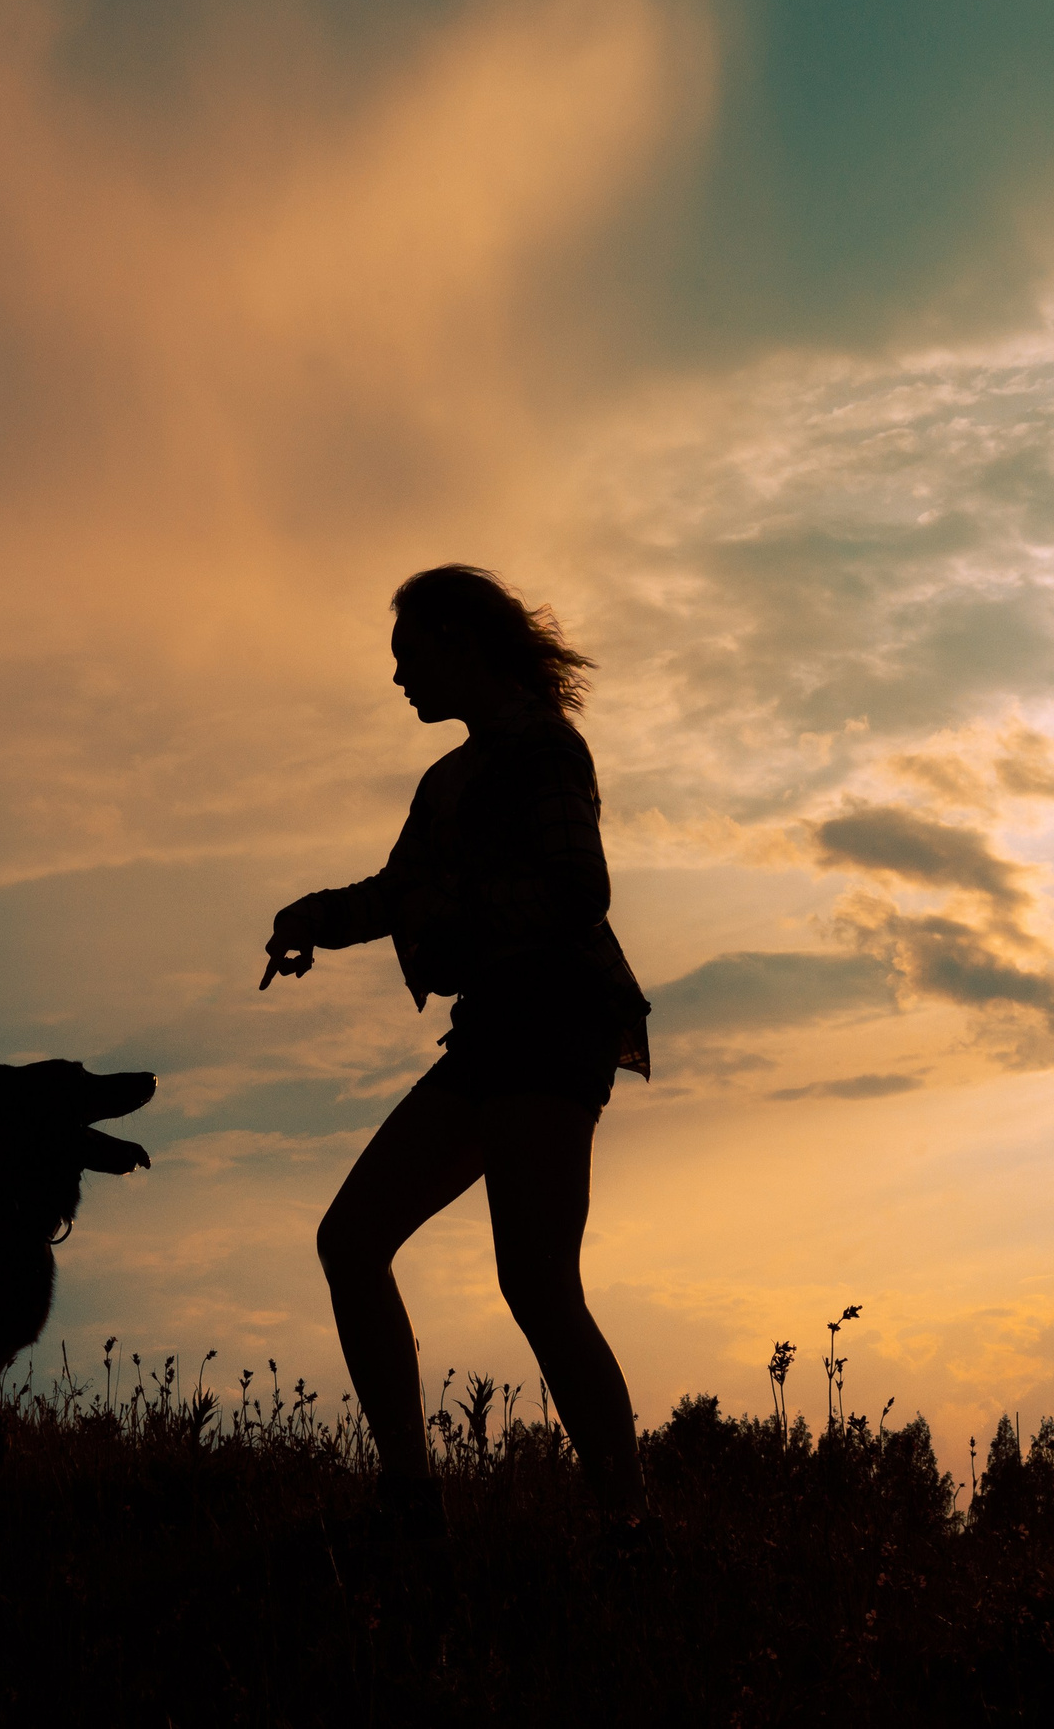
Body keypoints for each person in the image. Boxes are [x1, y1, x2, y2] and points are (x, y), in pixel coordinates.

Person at [262, 564, 653, 1540]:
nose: (397, 680)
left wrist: (452, 909)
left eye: (407, 656)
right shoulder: (449, 776)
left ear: (455, 641)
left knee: (536, 1281)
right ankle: (410, 1497)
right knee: (350, 1241)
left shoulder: (541, 751)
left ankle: (630, 1528)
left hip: (555, 1019)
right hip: (488, 1032)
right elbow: (398, 891)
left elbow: (578, 891)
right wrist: (312, 916)